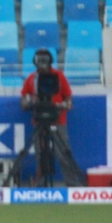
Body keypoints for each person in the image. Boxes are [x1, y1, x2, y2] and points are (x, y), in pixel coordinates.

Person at [18, 49, 86, 187]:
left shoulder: (59, 76)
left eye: (45, 60)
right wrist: (30, 103)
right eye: (39, 60)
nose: (42, 63)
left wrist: (61, 105)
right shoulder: (31, 78)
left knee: (64, 154)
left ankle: (73, 185)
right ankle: (41, 184)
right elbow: (24, 101)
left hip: (58, 121)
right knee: (40, 155)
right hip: (39, 120)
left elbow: (68, 99)